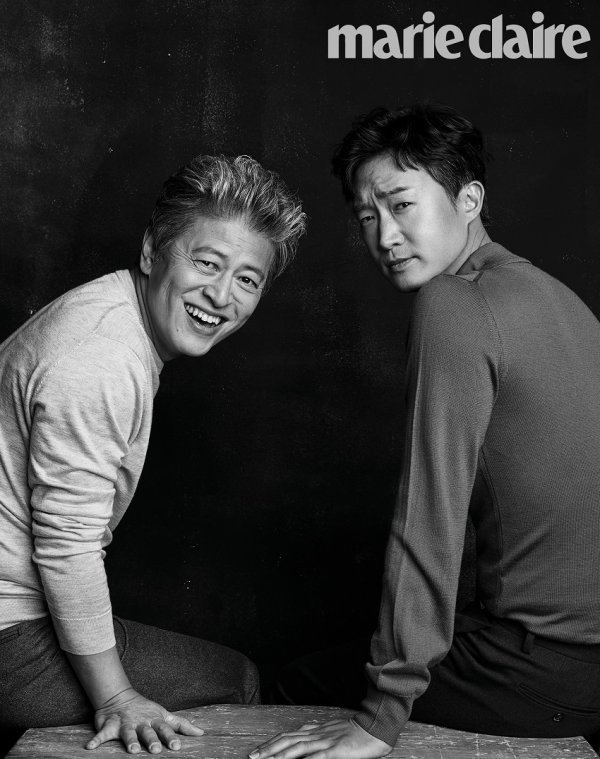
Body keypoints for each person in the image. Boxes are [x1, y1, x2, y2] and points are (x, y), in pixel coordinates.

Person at [250, 104, 600, 759]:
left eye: (401, 204)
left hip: (541, 669)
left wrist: (380, 718)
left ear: (469, 200)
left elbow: (429, 518)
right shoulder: (562, 301)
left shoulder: (453, 302)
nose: (384, 235)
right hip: (574, 662)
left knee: (291, 683)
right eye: (366, 216)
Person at [0, 154, 306, 756]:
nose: (221, 294)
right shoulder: (101, 359)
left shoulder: (111, 318)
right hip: (7, 635)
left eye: (247, 279)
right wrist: (117, 698)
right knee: (236, 681)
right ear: (151, 252)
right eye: (207, 262)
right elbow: (66, 546)